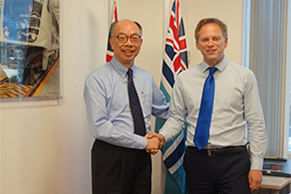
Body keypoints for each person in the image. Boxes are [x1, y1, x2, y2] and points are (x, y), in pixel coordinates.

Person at [153, 18, 267, 194]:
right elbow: (176, 118)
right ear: (197, 44)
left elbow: (256, 123)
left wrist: (257, 165)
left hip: (234, 162)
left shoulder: (244, 77)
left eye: (216, 38)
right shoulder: (184, 79)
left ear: (225, 41)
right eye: (205, 40)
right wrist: (161, 137)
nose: (210, 44)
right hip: (197, 161)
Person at [83, 19, 169, 194]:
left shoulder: (145, 77)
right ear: (112, 41)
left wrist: (193, 106)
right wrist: (144, 142)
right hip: (112, 156)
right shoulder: (97, 80)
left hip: (142, 157)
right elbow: (100, 127)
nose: (129, 43)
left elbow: (164, 110)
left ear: (140, 42)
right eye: (122, 38)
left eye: (134, 38)